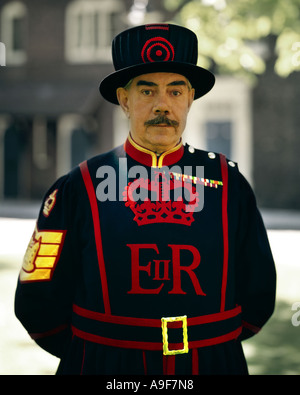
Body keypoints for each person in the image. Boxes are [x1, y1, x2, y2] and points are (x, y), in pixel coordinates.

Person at [15, 23, 276, 375]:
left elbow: (259, 287)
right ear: (124, 100)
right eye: (147, 91)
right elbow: (37, 297)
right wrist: (94, 350)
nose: (163, 106)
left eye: (175, 91)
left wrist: (214, 342)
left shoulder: (229, 184)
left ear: (190, 98)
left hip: (210, 363)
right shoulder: (79, 186)